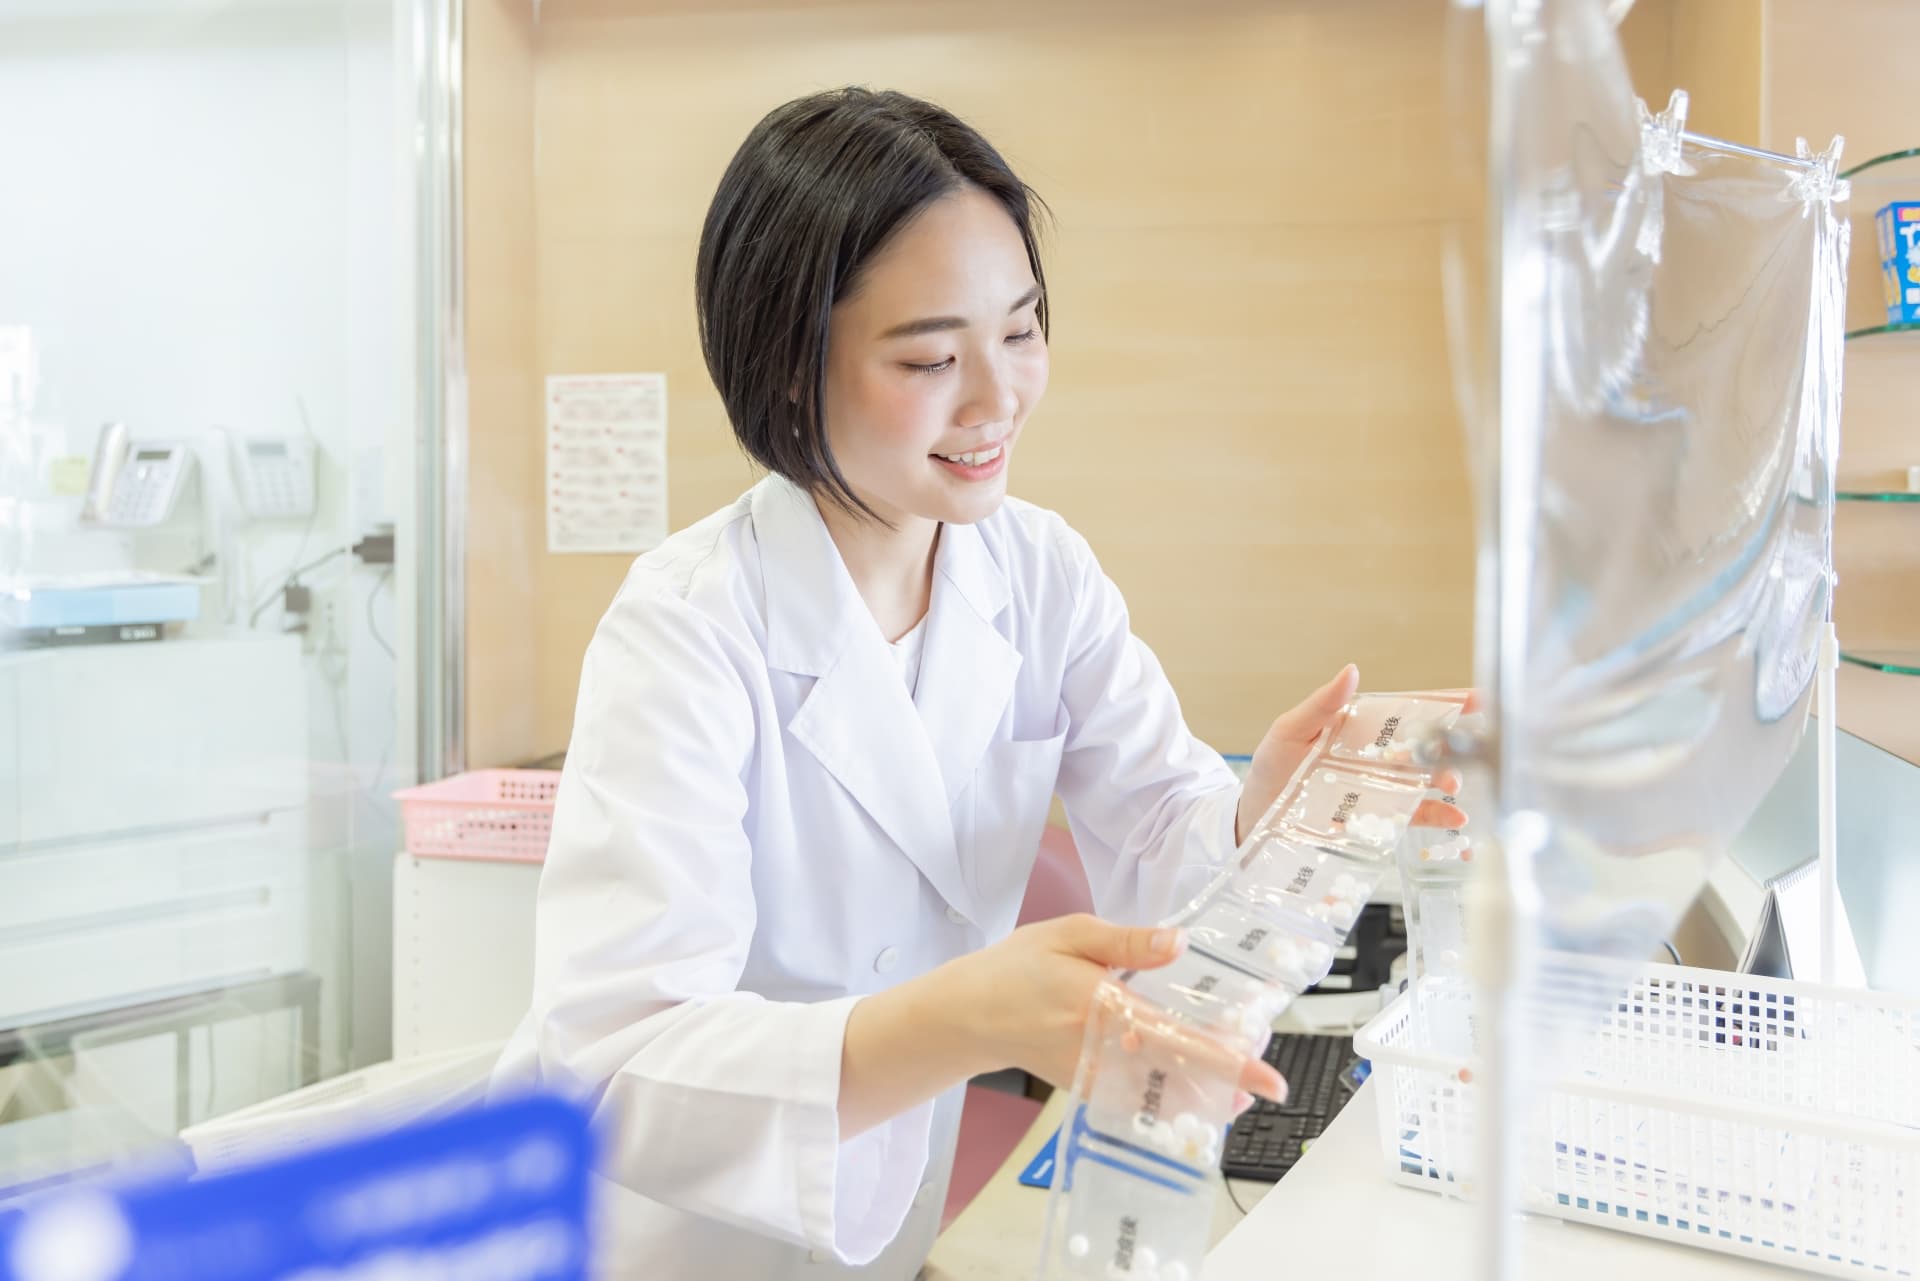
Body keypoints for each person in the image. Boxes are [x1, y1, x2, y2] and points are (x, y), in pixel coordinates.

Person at [492, 87, 1464, 1280]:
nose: (999, 398)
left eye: (1021, 330)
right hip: (651, 1247)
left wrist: (1267, 808)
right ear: (790, 367)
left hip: (889, 1227)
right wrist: (967, 1017)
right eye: (931, 357)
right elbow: (613, 1070)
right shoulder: (687, 628)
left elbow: (1163, 833)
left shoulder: (1039, 571)